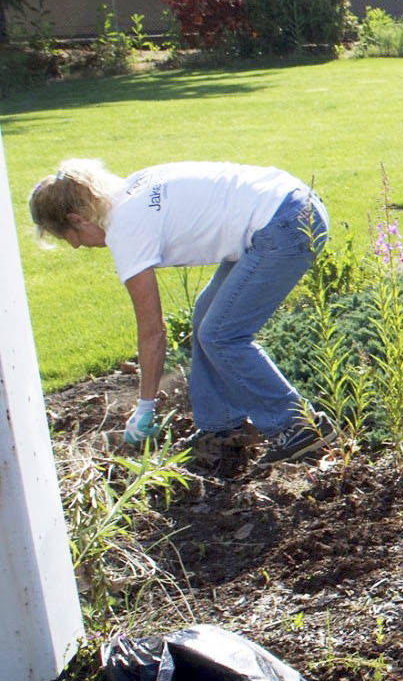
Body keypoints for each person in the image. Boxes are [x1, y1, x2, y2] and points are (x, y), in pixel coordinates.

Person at [28, 158, 330, 463]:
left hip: (286, 224)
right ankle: (221, 427)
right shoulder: (133, 187)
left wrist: (145, 406)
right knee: (206, 316)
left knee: (221, 334)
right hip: (289, 205)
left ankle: (298, 426)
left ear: (77, 219)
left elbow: (152, 331)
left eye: (70, 238)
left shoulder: (126, 229)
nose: (78, 247)